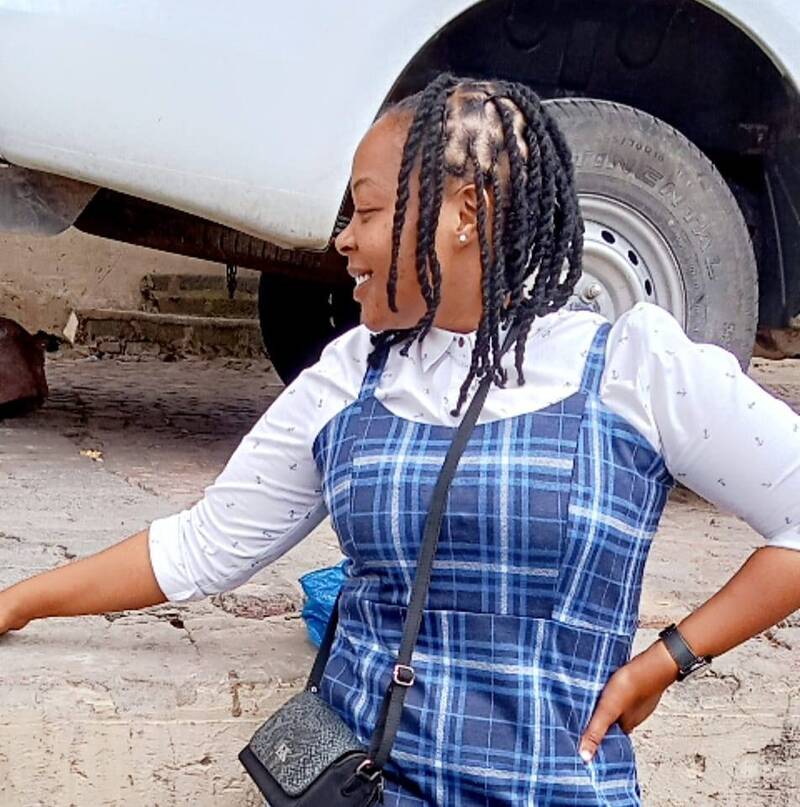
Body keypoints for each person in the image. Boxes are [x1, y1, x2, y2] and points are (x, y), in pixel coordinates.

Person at [2, 74, 800, 805]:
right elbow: (202, 545)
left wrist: (670, 657)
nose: (343, 239)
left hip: (555, 787)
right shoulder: (350, 375)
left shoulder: (632, 365)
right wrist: (22, 600)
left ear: (466, 214)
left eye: (368, 210)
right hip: (372, 785)